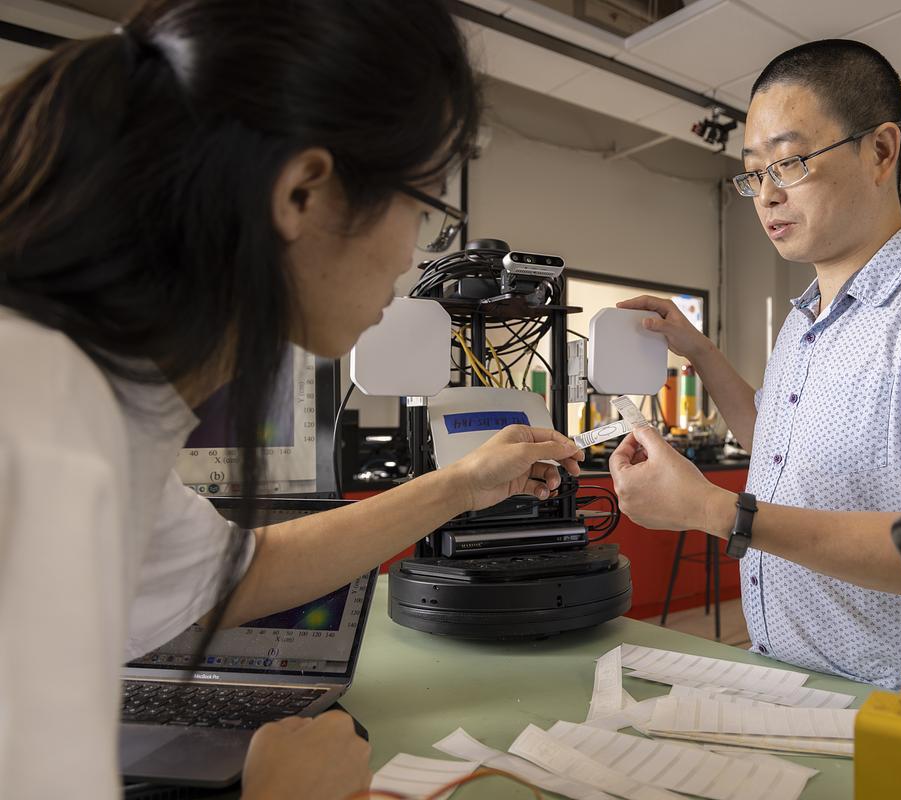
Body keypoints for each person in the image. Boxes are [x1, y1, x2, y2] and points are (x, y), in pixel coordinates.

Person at [0, 2, 582, 798]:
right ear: (303, 192)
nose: (415, 254)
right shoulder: (41, 438)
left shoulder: (96, 402)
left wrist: (461, 486)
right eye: (424, 205)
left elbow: (233, 575)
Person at [611, 40, 901, 724]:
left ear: (880, 151)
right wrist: (697, 351)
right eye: (753, 174)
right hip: (800, 692)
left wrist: (712, 510)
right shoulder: (807, 318)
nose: (767, 195)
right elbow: (779, 443)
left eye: (789, 161)